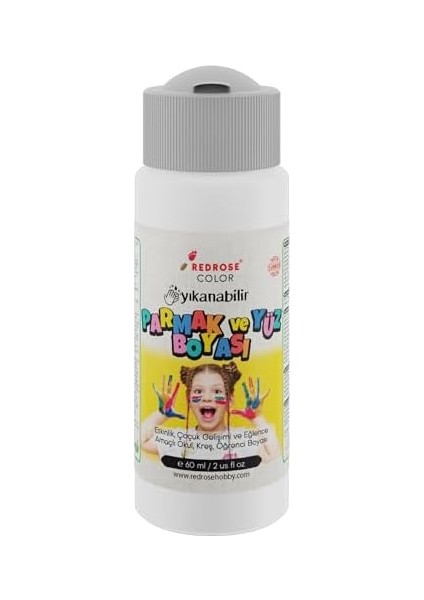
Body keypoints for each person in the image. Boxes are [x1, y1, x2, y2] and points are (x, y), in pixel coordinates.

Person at [141, 362, 280, 462]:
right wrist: (161, 414)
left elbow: (274, 457)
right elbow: (140, 441)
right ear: (189, 400)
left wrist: (257, 418)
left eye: (217, 391)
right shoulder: (178, 439)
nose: (207, 398)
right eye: (198, 391)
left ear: (229, 400)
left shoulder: (243, 439)